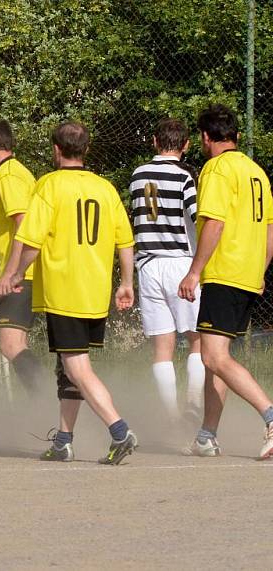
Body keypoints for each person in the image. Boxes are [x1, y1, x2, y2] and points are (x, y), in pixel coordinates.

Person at [2, 121, 138, 464]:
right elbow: (126, 241)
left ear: (56, 150)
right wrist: (126, 283)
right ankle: (63, 440)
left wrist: (16, 273)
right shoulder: (105, 188)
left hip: (65, 290)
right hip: (94, 293)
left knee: (77, 368)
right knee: (68, 366)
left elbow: (31, 240)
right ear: (86, 150)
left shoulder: (49, 186)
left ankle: (119, 431)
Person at [177, 104, 273, 459]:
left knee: (213, 356)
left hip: (224, 272)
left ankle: (270, 415)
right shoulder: (256, 172)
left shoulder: (216, 169)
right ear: (235, 134)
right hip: (248, 274)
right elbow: (269, 231)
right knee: (217, 356)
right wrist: (260, 270)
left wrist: (194, 271)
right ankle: (207, 435)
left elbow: (213, 224)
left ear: (205, 137)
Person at [129, 118, 205, 422]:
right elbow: (199, 217)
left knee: (162, 345)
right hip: (181, 263)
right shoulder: (185, 177)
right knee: (196, 338)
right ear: (186, 145)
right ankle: (193, 403)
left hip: (147, 265)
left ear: (154, 142)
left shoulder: (137, 175)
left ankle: (171, 416)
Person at [0, 119, 45, 394]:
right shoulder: (18, 172)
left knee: (11, 344)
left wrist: (10, 272)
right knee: (15, 344)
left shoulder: (9, 176)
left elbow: (23, 224)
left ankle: (44, 401)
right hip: (23, 271)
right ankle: (47, 402)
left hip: (21, 275)